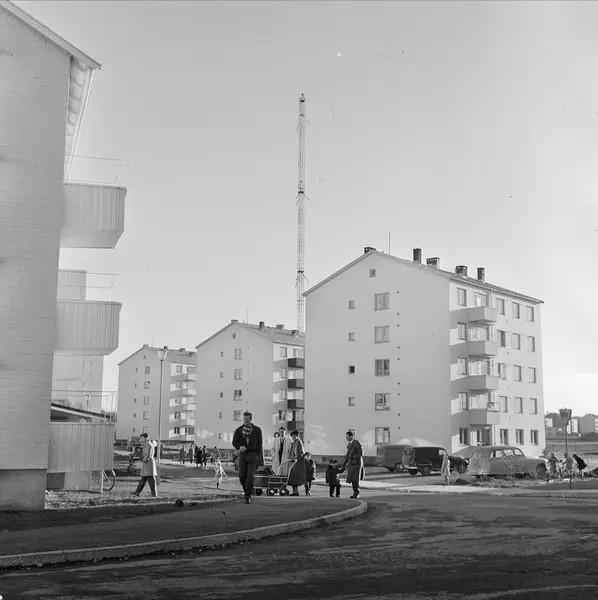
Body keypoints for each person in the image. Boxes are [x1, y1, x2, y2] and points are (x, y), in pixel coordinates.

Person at [232, 411, 264, 504]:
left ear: (250, 419)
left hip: (253, 455)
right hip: (243, 455)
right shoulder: (239, 430)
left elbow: (260, 443)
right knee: (242, 476)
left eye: (247, 419)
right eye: (244, 419)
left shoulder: (257, 430)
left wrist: (258, 455)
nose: (246, 420)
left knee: (250, 477)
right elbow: (234, 442)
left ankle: (247, 496)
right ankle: (247, 489)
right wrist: (239, 447)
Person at [339, 430, 364, 499]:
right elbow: (347, 456)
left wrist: (353, 457)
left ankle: (356, 494)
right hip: (352, 463)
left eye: (347, 436)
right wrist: (343, 465)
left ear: (351, 436)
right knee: (352, 479)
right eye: (346, 436)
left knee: (355, 479)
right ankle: (355, 493)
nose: (346, 438)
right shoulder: (349, 444)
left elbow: (361, 453)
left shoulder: (356, 442)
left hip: (357, 464)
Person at [132, 433, 157, 497]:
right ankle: (137, 492)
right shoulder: (146, 444)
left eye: (142, 438)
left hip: (149, 463)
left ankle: (153, 493)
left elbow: (149, 454)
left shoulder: (149, 445)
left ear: (146, 438)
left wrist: (144, 460)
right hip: (146, 464)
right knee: (144, 479)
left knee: (150, 479)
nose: (141, 440)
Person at [287, 430, 306, 496]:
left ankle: (296, 492)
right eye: (292, 436)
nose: (293, 437)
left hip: (297, 462)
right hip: (293, 461)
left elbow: (300, 452)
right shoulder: (294, 442)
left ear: (297, 436)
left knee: (295, 477)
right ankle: (295, 491)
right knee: (293, 477)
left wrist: (296, 458)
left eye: (294, 435)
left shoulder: (298, 442)